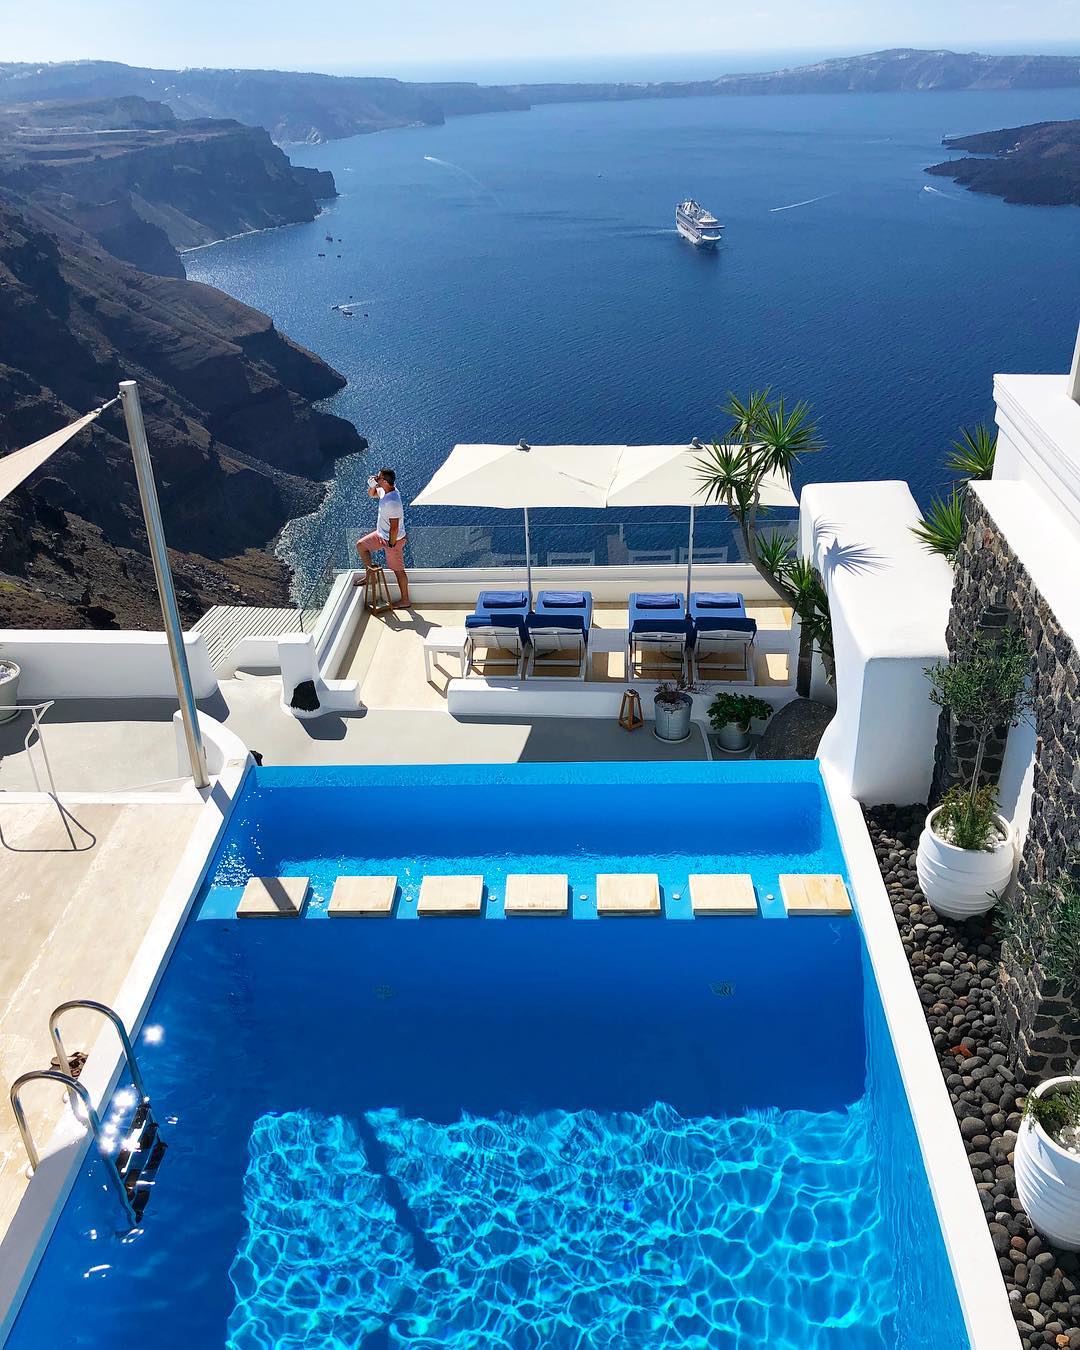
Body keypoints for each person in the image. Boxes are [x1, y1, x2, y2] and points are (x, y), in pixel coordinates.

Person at [356, 467, 410, 607]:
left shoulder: (393, 502)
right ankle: (370, 577)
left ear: (385, 481)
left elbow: (394, 527)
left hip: (393, 540)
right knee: (361, 546)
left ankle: (405, 600)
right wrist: (372, 485)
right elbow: (372, 494)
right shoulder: (385, 491)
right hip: (381, 535)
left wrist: (391, 545)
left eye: (378, 478)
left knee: (398, 570)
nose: (375, 478)